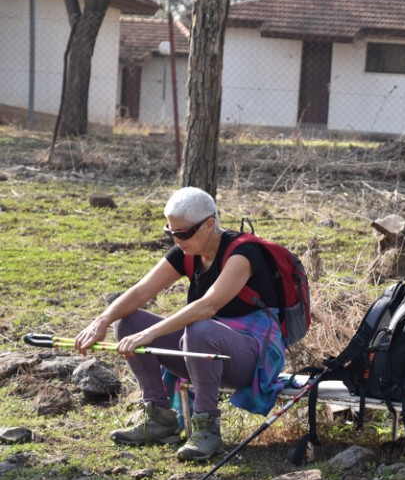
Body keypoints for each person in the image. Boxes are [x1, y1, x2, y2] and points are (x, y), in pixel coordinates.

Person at [75, 187, 287, 461]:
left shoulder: (242, 254)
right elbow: (141, 292)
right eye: (170, 232)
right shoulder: (186, 252)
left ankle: (206, 427)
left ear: (210, 224)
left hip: (251, 357)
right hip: (203, 347)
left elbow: (208, 306)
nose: (176, 239)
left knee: (198, 328)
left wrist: (150, 334)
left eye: (183, 233)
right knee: (127, 321)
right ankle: (159, 419)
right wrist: (103, 319)